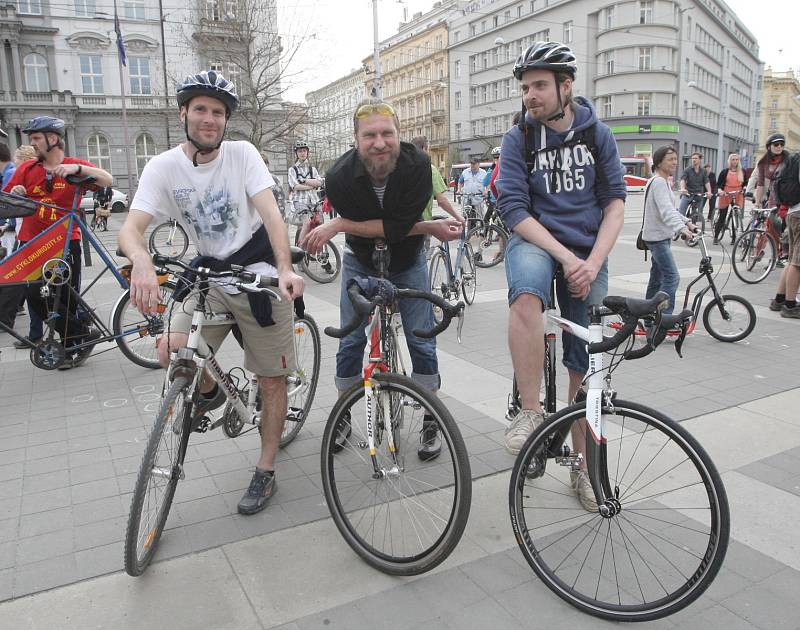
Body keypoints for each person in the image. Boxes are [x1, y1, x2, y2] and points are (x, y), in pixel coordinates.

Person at [118, 70, 305, 515]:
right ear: (183, 113)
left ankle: (265, 469)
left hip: (255, 275)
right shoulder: (163, 167)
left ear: (226, 120)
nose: (209, 119)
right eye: (200, 109)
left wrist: (283, 270)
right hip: (208, 277)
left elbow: (273, 217)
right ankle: (212, 392)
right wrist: (141, 261)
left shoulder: (242, 155)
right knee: (171, 349)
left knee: (271, 380)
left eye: (218, 112)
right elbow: (131, 228)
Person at [495, 40, 626, 510]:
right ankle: (530, 413)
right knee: (527, 294)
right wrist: (565, 259)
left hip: (587, 250)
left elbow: (615, 204)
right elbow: (513, 209)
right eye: (525, 87)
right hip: (536, 239)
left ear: (565, 86)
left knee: (584, 368)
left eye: (539, 86)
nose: (529, 95)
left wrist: (590, 262)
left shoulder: (597, 135)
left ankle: (585, 469)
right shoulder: (520, 138)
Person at [301, 98, 462, 460]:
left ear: (399, 135)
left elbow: (398, 229)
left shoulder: (418, 166)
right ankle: (343, 412)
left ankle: (430, 416)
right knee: (350, 341)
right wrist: (425, 227)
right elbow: (392, 228)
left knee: (422, 340)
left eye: (387, 133)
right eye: (370, 135)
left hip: (409, 259)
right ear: (356, 139)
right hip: (360, 261)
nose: (379, 142)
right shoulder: (339, 177)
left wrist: (340, 224)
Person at [2, 117, 112, 367]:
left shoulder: (74, 166)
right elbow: (6, 197)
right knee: (34, 295)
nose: (33, 143)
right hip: (32, 243)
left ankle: (71, 345)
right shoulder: (27, 168)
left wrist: (79, 171)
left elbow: (107, 180)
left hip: (64, 243)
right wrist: (15, 193)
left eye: (37, 138)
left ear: (53, 139)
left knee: (65, 297)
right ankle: (82, 332)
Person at [642, 146, 694, 313]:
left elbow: (670, 209)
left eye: (675, 158)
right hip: (658, 239)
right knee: (672, 277)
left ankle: (648, 316)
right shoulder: (658, 182)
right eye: (670, 159)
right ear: (659, 162)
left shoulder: (659, 181)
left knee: (656, 280)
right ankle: (664, 318)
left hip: (657, 237)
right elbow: (666, 211)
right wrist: (681, 229)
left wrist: (687, 222)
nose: (675, 162)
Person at [409, 135, 464, 256]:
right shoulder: (429, 168)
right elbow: (442, 201)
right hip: (422, 224)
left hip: (402, 226)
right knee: (420, 261)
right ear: (424, 148)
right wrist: (458, 217)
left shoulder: (402, 166)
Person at [286, 140, 323, 240]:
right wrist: (311, 185)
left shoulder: (312, 169)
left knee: (320, 225)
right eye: (300, 151)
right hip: (300, 201)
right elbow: (295, 186)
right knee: (306, 224)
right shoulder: (292, 170)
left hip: (314, 201)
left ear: (307, 152)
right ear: (296, 153)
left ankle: (320, 251)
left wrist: (304, 180)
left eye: (304, 151)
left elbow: (319, 183)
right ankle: (301, 252)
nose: (302, 153)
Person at [712, 153, 745, 244]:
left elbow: (745, 183)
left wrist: (745, 189)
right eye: (733, 160)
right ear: (729, 161)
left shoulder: (742, 172)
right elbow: (718, 184)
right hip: (726, 194)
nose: (735, 161)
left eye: (736, 159)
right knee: (722, 216)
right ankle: (716, 237)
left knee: (736, 216)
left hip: (738, 194)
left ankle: (734, 238)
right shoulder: (724, 172)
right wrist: (720, 190)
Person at [678, 152, 712, 219]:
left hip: (698, 194)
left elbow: (707, 182)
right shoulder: (687, 170)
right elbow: (683, 180)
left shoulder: (703, 171)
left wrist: (709, 191)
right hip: (688, 193)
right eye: (692, 158)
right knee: (681, 212)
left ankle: (695, 224)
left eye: (696, 158)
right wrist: (682, 188)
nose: (694, 160)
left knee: (699, 214)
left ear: (700, 159)